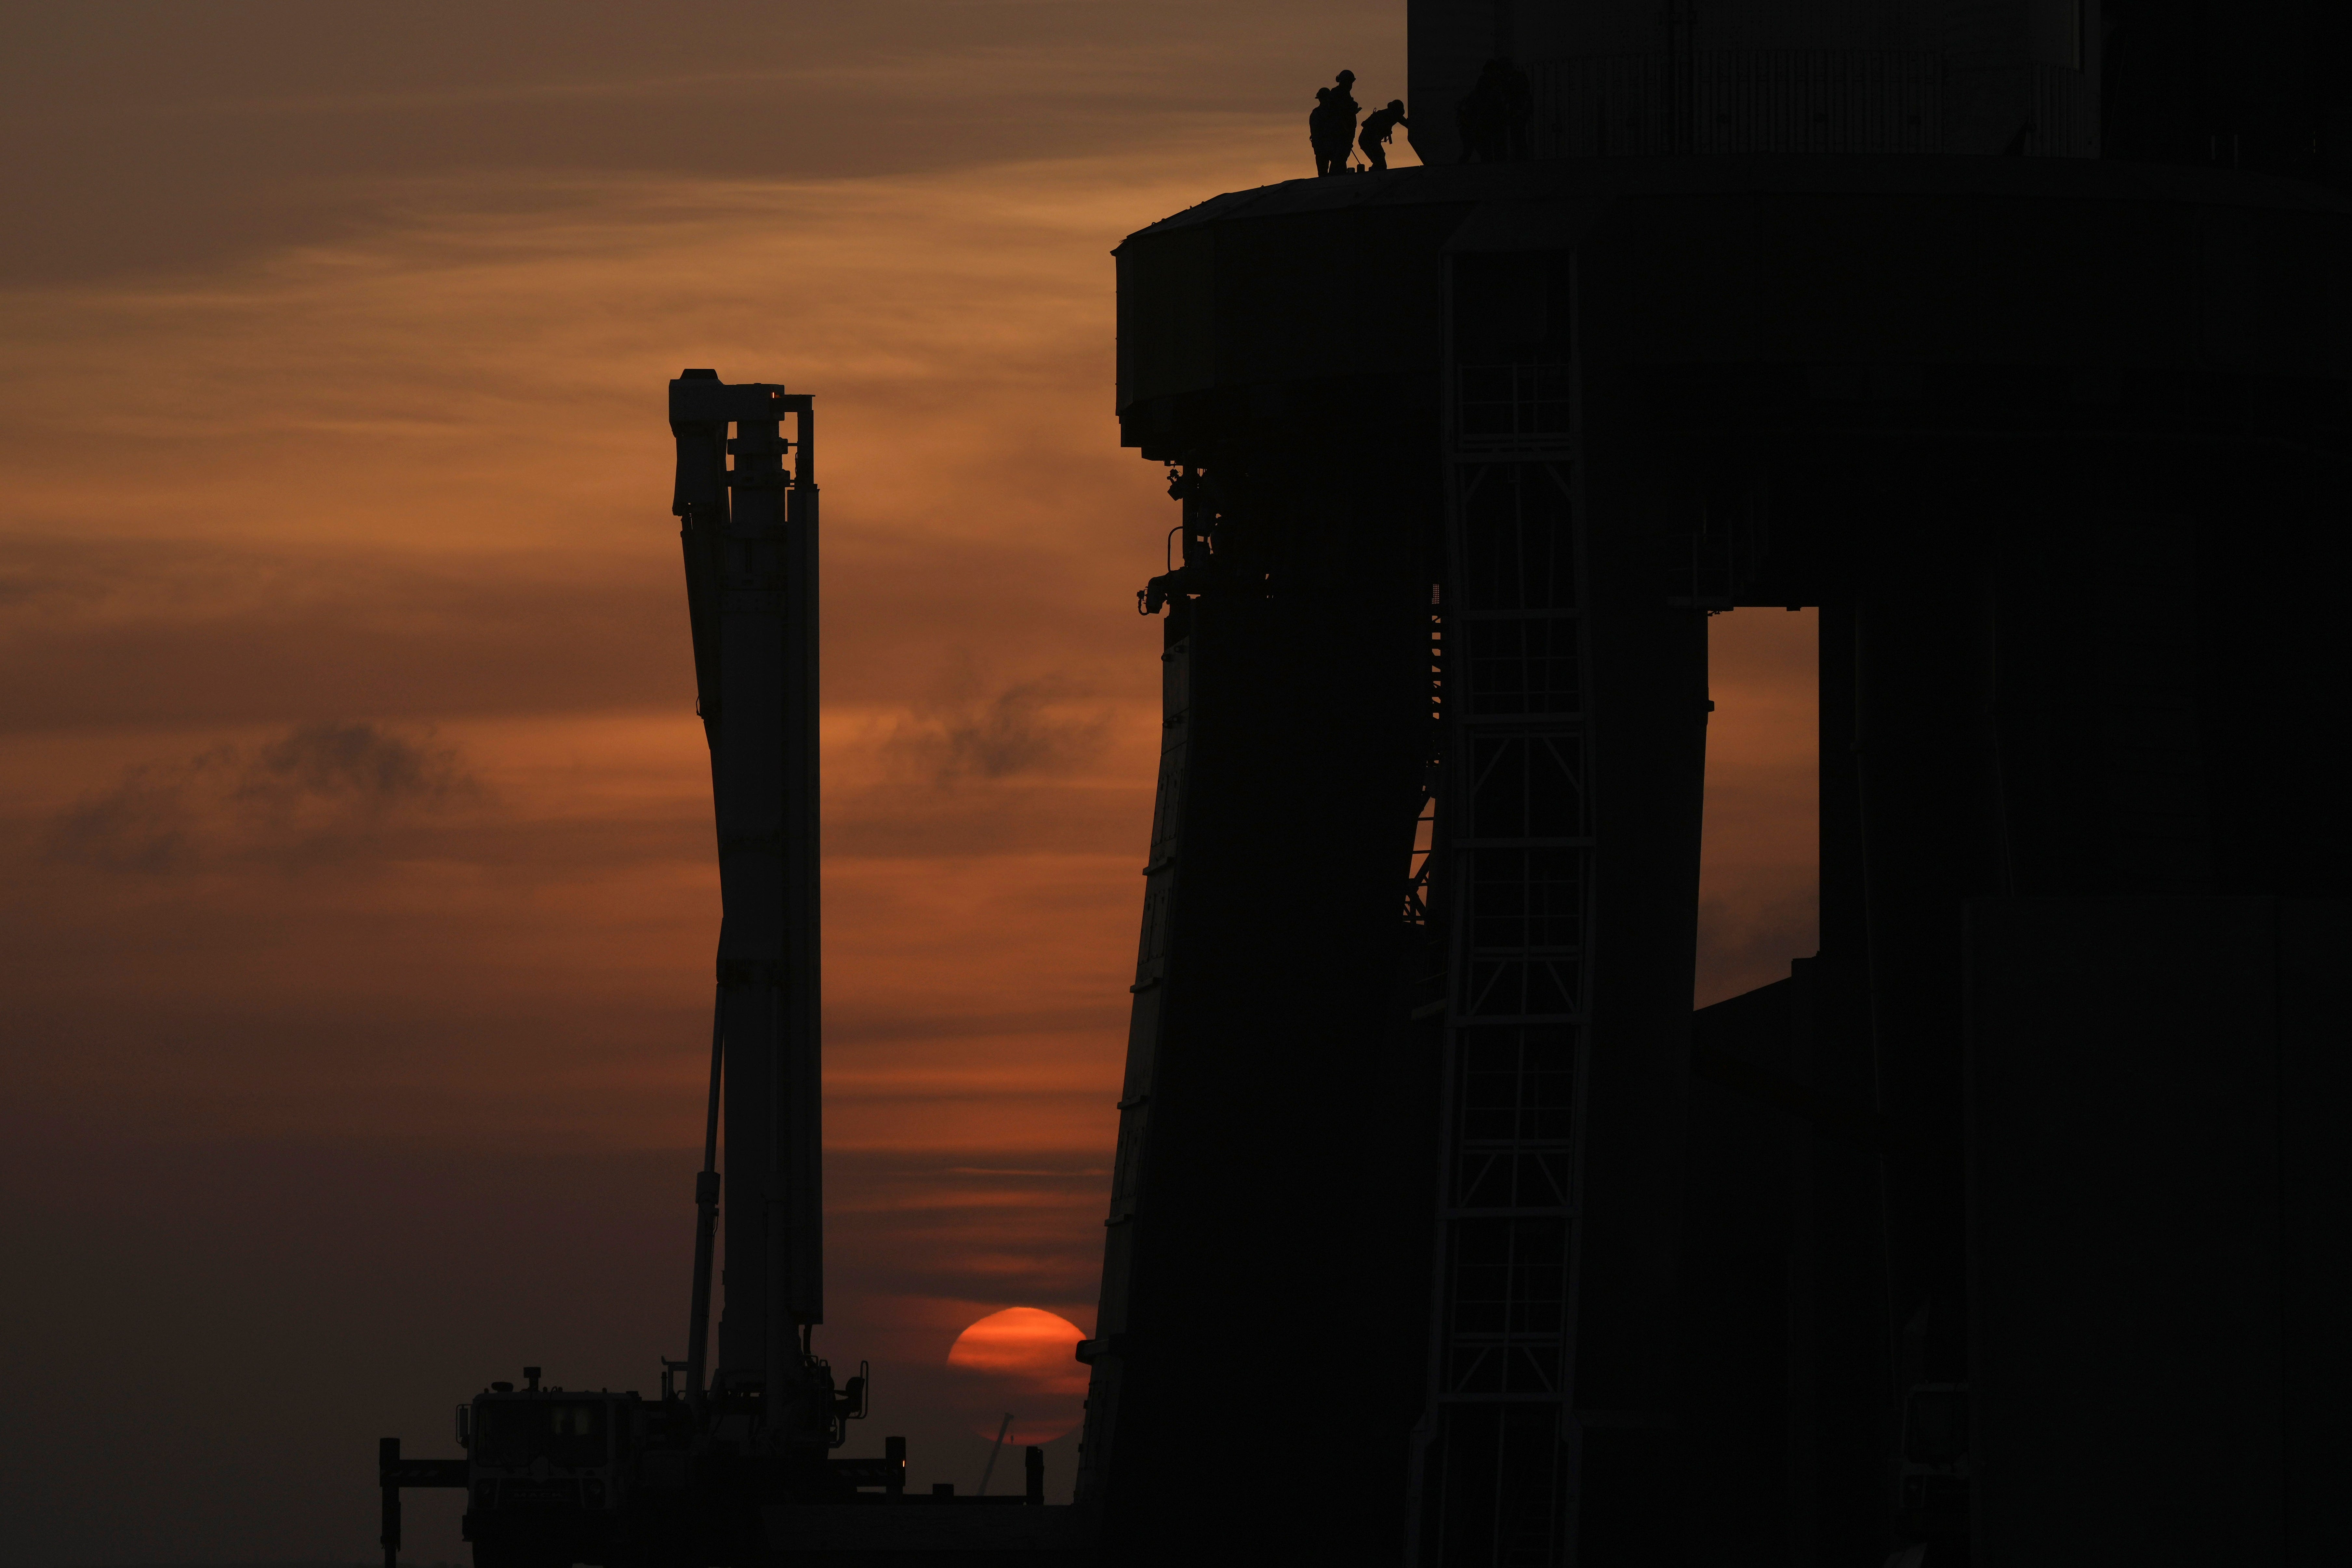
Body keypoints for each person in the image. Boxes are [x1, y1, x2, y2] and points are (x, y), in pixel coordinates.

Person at [1309, 70, 1361, 175]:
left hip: (1342, 138)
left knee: (1338, 167)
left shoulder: (1344, 95)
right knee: (1335, 167)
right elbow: (1335, 117)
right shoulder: (1336, 95)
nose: (1350, 85)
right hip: (1335, 140)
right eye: (1349, 82)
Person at [1358, 99, 1411, 172]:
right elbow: (1365, 125)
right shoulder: (1386, 115)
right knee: (1380, 162)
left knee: (1380, 161)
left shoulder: (1388, 114)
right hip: (1368, 140)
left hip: (1369, 140)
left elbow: (1406, 123)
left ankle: (1374, 174)